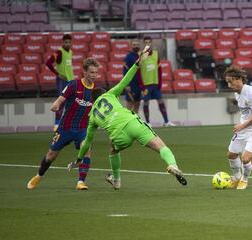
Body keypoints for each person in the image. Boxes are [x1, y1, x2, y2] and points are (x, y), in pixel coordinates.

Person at [69, 46, 187, 190]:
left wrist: (78, 159)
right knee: (161, 147)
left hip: (118, 135)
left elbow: (87, 142)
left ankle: (116, 180)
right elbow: (126, 80)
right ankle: (172, 165)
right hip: (132, 123)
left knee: (113, 150)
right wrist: (138, 63)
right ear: (103, 93)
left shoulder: (92, 115)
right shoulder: (109, 94)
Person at [27, 58, 100, 191]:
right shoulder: (74, 85)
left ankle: (80, 182)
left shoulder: (97, 92)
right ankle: (39, 175)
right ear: (84, 72)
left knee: (87, 151)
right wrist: (56, 105)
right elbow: (60, 99)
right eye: (91, 72)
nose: (94, 75)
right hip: (65, 128)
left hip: (82, 129)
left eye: (96, 72)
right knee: (51, 155)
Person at [139, 36, 175, 127]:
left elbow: (159, 70)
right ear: (144, 44)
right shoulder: (141, 55)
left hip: (155, 84)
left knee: (161, 101)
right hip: (146, 85)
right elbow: (138, 72)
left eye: (149, 42)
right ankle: (148, 122)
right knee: (146, 103)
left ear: (151, 43)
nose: (147, 44)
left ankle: (166, 121)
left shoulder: (156, 54)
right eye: (146, 42)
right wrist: (142, 86)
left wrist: (160, 83)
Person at [46, 34, 74, 130]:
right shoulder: (59, 52)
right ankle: (56, 125)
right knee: (61, 102)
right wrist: (57, 73)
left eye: (69, 42)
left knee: (71, 102)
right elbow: (48, 63)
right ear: (63, 42)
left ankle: (67, 124)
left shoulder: (70, 52)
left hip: (70, 81)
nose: (68, 44)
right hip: (62, 81)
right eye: (66, 42)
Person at [123, 39, 142, 113]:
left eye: (137, 44)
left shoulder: (141, 56)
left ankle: (135, 122)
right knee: (129, 106)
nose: (136, 46)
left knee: (137, 104)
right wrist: (127, 85)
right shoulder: (128, 57)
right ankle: (127, 122)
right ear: (131, 46)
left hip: (139, 85)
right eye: (134, 44)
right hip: (131, 84)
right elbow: (125, 72)